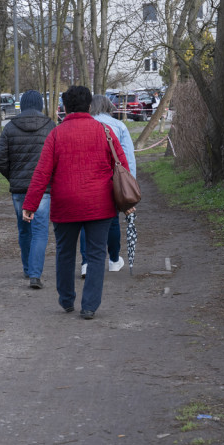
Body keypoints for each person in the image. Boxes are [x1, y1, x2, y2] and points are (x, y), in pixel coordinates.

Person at [22, 85, 132, 319]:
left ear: (64, 107)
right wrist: (127, 202)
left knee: (64, 252)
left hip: (65, 205)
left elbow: (42, 173)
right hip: (100, 205)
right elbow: (122, 165)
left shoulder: (56, 134)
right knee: (95, 255)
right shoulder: (104, 131)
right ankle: (90, 306)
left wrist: (30, 205)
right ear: (89, 106)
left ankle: (66, 300)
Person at [0, 90, 56, 289]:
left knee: (24, 229)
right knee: (40, 230)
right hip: (43, 189)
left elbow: (1, 159)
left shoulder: (10, 127)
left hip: (20, 188)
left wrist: (12, 177)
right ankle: (35, 274)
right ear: (40, 105)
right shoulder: (50, 127)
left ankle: (28, 268)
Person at [79, 94, 137, 277]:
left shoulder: (83, 126)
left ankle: (86, 263)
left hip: (87, 180)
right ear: (108, 106)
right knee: (112, 221)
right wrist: (130, 186)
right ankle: (113, 260)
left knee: (85, 222)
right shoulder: (119, 126)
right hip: (111, 180)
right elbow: (128, 157)